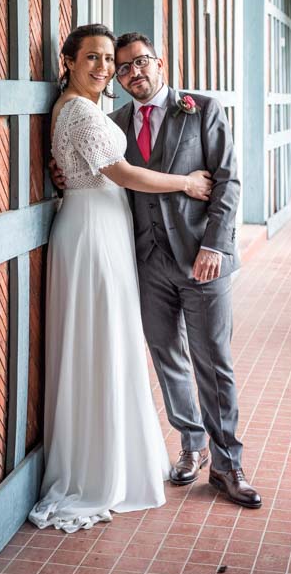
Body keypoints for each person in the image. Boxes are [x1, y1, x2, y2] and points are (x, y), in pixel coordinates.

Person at [29, 24, 212, 533]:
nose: (105, 68)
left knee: (107, 341)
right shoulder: (81, 110)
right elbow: (124, 172)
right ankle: (97, 471)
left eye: (110, 59)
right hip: (91, 231)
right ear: (67, 61)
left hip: (103, 227)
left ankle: (114, 455)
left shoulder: (84, 109)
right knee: (100, 342)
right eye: (92, 58)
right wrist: (187, 183)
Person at [109, 32, 261, 509]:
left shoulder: (201, 109)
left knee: (213, 361)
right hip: (148, 261)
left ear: (161, 63)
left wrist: (215, 244)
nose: (134, 73)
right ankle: (191, 445)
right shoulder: (113, 124)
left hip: (202, 259)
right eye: (123, 68)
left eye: (141, 62)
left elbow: (229, 180)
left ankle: (227, 463)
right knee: (166, 356)